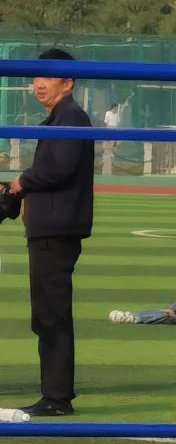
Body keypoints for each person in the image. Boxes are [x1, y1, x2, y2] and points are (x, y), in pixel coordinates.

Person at [10, 49, 94, 417]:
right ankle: (55, 394)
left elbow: (58, 169)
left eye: (46, 77)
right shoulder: (60, 117)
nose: (38, 84)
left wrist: (21, 182)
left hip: (57, 228)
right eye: (36, 77)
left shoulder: (71, 116)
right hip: (50, 226)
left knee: (52, 314)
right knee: (47, 314)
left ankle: (57, 398)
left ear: (67, 83)